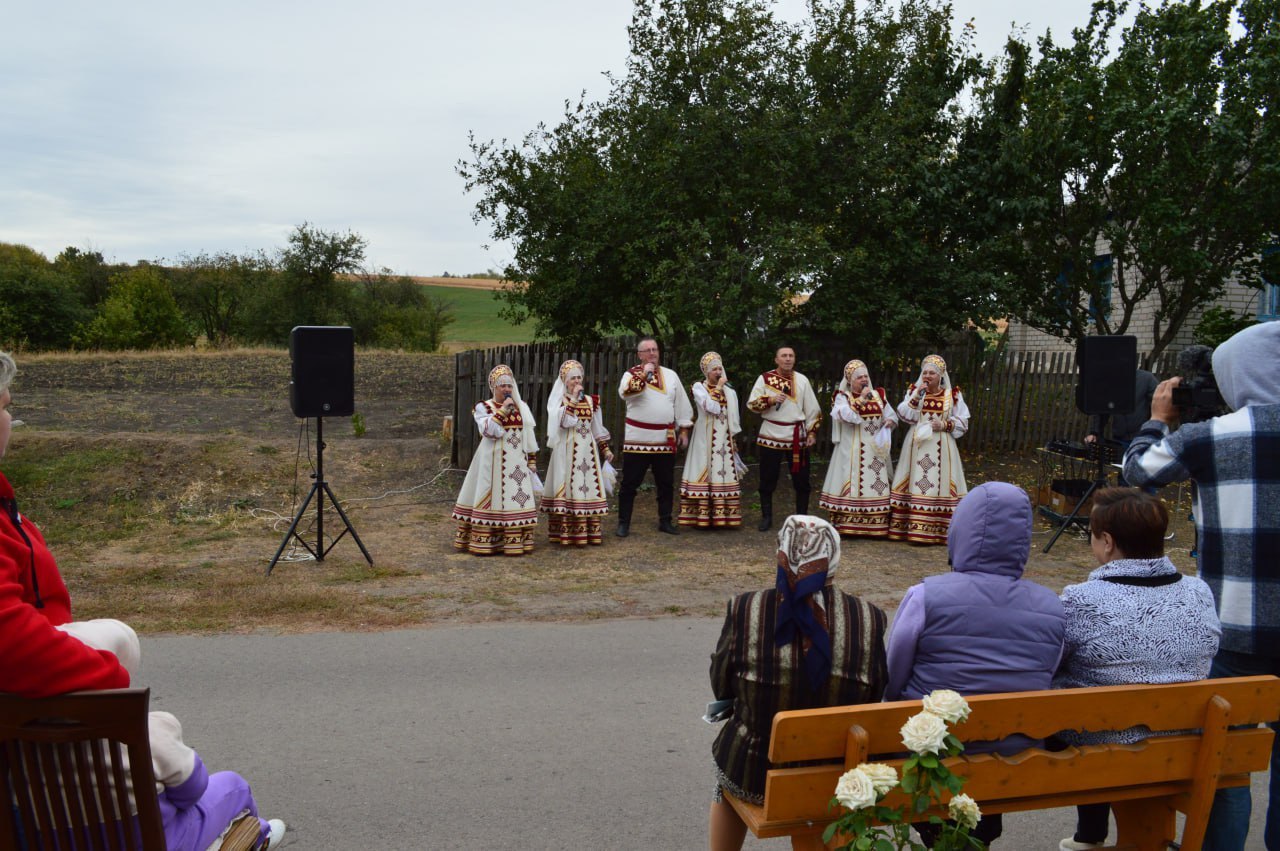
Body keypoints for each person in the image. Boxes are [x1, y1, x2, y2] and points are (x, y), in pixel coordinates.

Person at [0, 351, 285, 851]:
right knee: (229, 788)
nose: (9, 418)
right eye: (5, 404)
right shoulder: (133, 730)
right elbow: (9, 636)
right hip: (113, 818)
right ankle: (253, 835)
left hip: (29, 806)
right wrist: (105, 681)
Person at [1123, 321, 1280, 851]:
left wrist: (1157, 420)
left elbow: (1138, 473)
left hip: (1235, 633)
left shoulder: (1213, 436)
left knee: (1227, 764)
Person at [885, 481, 1066, 845]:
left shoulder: (926, 595)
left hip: (934, 751)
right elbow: (1049, 670)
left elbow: (894, 671)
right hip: (1015, 758)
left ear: (959, 532)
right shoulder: (1053, 606)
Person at [1052, 488, 1220, 851]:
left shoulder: (1081, 600)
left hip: (1107, 750)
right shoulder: (1199, 592)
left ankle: (1089, 836)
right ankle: (1091, 837)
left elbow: (1050, 664)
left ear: (1107, 542)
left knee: (1081, 706)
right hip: (1184, 745)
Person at [708, 515, 888, 851]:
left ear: (781, 552)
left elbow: (722, 682)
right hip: (833, 771)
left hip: (755, 771)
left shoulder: (746, 608)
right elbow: (876, 691)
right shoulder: (869, 617)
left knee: (727, 767)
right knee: (809, 788)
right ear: (832, 559)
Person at [57, 619, 288, 851]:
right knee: (234, 787)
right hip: (162, 843)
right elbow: (191, 792)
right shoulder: (146, 730)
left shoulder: (23, 748)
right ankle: (258, 836)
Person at [452, 364, 540, 556]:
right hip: (492, 461)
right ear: (494, 387)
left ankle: (514, 540)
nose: (507, 389)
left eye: (509, 385)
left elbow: (529, 435)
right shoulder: (483, 407)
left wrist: (531, 460)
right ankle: (487, 540)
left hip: (516, 461)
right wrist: (502, 412)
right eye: (502, 386)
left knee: (514, 497)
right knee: (491, 497)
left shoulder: (521, 407)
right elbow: (490, 432)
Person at [615, 337, 694, 537]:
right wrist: (644, 374)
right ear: (639, 355)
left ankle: (665, 521)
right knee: (629, 483)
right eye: (647, 350)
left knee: (666, 483)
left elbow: (681, 404)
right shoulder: (630, 375)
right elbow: (626, 393)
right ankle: (623, 523)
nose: (652, 353)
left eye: (655, 349)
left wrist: (683, 429)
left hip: (664, 439)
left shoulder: (671, 375)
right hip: (638, 440)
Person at [887, 354, 969, 545]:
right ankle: (913, 528)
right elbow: (905, 414)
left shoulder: (952, 395)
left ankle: (939, 529)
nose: (928, 376)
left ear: (941, 375)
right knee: (915, 480)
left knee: (940, 483)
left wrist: (945, 425)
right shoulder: (915, 392)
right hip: (917, 445)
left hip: (941, 444)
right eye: (925, 372)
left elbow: (963, 422)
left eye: (932, 373)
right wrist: (917, 396)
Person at [818, 359, 898, 537]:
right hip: (852, 449)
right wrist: (862, 399)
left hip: (875, 449)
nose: (864, 380)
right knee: (852, 482)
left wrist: (890, 421)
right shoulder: (842, 397)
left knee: (876, 482)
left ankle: (876, 525)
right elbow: (846, 416)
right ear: (850, 380)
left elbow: (891, 415)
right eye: (859, 377)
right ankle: (848, 524)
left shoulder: (878, 395)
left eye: (866, 376)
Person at [746, 346, 822, 532]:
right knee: (767, 479)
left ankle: (802, 520)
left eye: (791, 356)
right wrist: (770, 400)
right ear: (776, 359)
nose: (788, 359)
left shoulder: (802, 380)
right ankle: (766, 517)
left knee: (802, 480)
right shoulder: (764, 379)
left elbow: (813, 409)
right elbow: (752, 404)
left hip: (797, 437)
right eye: (784, 356)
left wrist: (812, 432)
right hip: (771, 434)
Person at [541, 359, 613, 546]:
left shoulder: (591, 401)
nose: (577, 381)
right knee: (569, 486)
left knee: (587, 485)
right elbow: (564, 422)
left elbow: (597, 427)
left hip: (587, 451)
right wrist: (573, 399)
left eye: (579, 377)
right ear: (565, 380)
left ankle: (588, 531)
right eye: (573, 378)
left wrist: (605, 449)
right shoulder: (558, 403)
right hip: (566, 450)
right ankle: (566, 531)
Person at [679, 352, 744, 529]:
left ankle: (723, 516)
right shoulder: (698, 387)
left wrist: (734, 439)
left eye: (719, 368)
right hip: (705, 436)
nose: (718, 372)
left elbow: (733, 416)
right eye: (714, 369)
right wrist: (718, 388)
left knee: (722, 470)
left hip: (724, 438)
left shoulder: (730, 391)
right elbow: (711, 408)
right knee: (704, 470)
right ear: (707, 372)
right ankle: (701, 516)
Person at [1084, 368, 1158, 449]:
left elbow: (1160, 403)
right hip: (1119, 440)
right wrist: (1094, 433)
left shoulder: (1146, 378)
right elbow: (1101, 411)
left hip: (1141, 439)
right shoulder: (1109, 382)